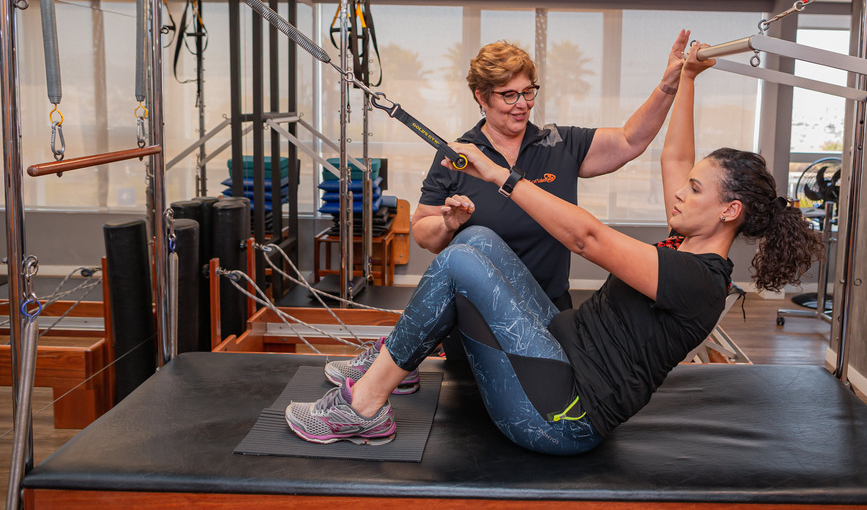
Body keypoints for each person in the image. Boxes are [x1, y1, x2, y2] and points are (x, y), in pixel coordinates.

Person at [286, 29, 822, 453]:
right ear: (482, 98)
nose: (681, 191)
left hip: (563, 416)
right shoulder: (686, 239)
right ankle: (387, 365)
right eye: (508, 95)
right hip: (556, 352)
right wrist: (683, 80)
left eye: (695, 189)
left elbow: (587, 237)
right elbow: (674, 156)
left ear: (730, 211)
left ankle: (363, 407)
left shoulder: (696, 279)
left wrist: (499, 176)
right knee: (476, 240)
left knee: (461, 263)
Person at [412, 39, 688, 311]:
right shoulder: (460, 156)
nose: (522, 104)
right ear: (481, 97)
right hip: (479, 312)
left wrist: (668, 84)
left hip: (549, 309)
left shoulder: (559, 144)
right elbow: (423, 231)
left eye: (528, 92)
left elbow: (630, 140)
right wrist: (447, 225)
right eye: (509, 95)